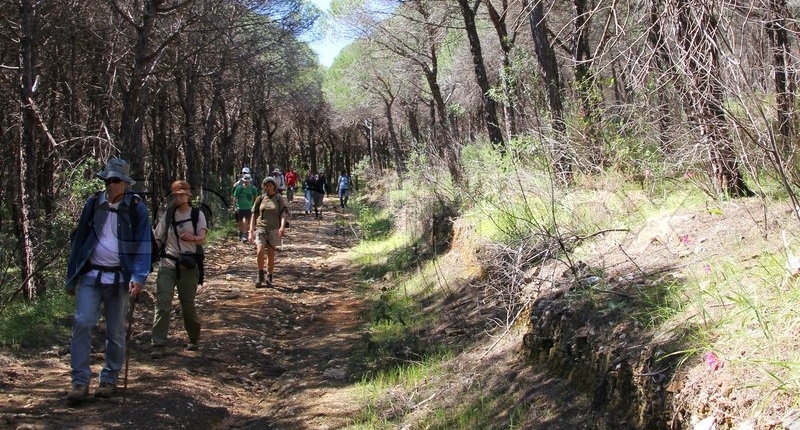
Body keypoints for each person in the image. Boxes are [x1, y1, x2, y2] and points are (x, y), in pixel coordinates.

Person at [65, 158, 152, 403]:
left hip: (119, 278)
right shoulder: (93, 204)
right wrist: (72, 277)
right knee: (82, 323)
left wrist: (138, 277)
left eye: (115, 181)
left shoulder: (136, 208)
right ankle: (80, 382)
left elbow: (143, 244)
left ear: (125, 183)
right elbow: (79, 241)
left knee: (114, 331)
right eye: (108, 180)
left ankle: (109, 379)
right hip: (91, 275)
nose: (111, 185)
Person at [151, 180, 208, 359]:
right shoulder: (167, 216)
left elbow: (203, 238)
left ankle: (193, 337)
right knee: (163, 304)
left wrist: (192, 238)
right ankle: (158, 343)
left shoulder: (197, 215)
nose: (178, 197)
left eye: (182, 194)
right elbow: (158, 238)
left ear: (188, 196)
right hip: (167, 264)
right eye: (175, 194)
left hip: (188, 266)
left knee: (187, 306)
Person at [250, 177, 288, 288]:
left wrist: (282, 227)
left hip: (274, 229)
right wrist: (251, 230)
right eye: (266, 186)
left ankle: (269, 276)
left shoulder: (278, 198)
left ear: (274, 187)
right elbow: (254, 214)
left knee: (271, 254)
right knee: (259, 251)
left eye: (270, 185)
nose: (268, 187)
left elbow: (283, 214)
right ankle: (260, 273)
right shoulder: (260, 198)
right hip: (261, 228)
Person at [232, 174, 258, 242]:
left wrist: (255, 206)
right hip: (240, 207)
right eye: (245, 180)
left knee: (246, 220)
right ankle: (241, 233)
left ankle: (244, 234)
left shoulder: (253, 188)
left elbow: (255, 198)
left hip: (249, 207)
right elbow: (235, 197)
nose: (246, 182)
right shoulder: (239, 188)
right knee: (240, 221)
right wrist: (234, 207)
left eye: (248, 180)